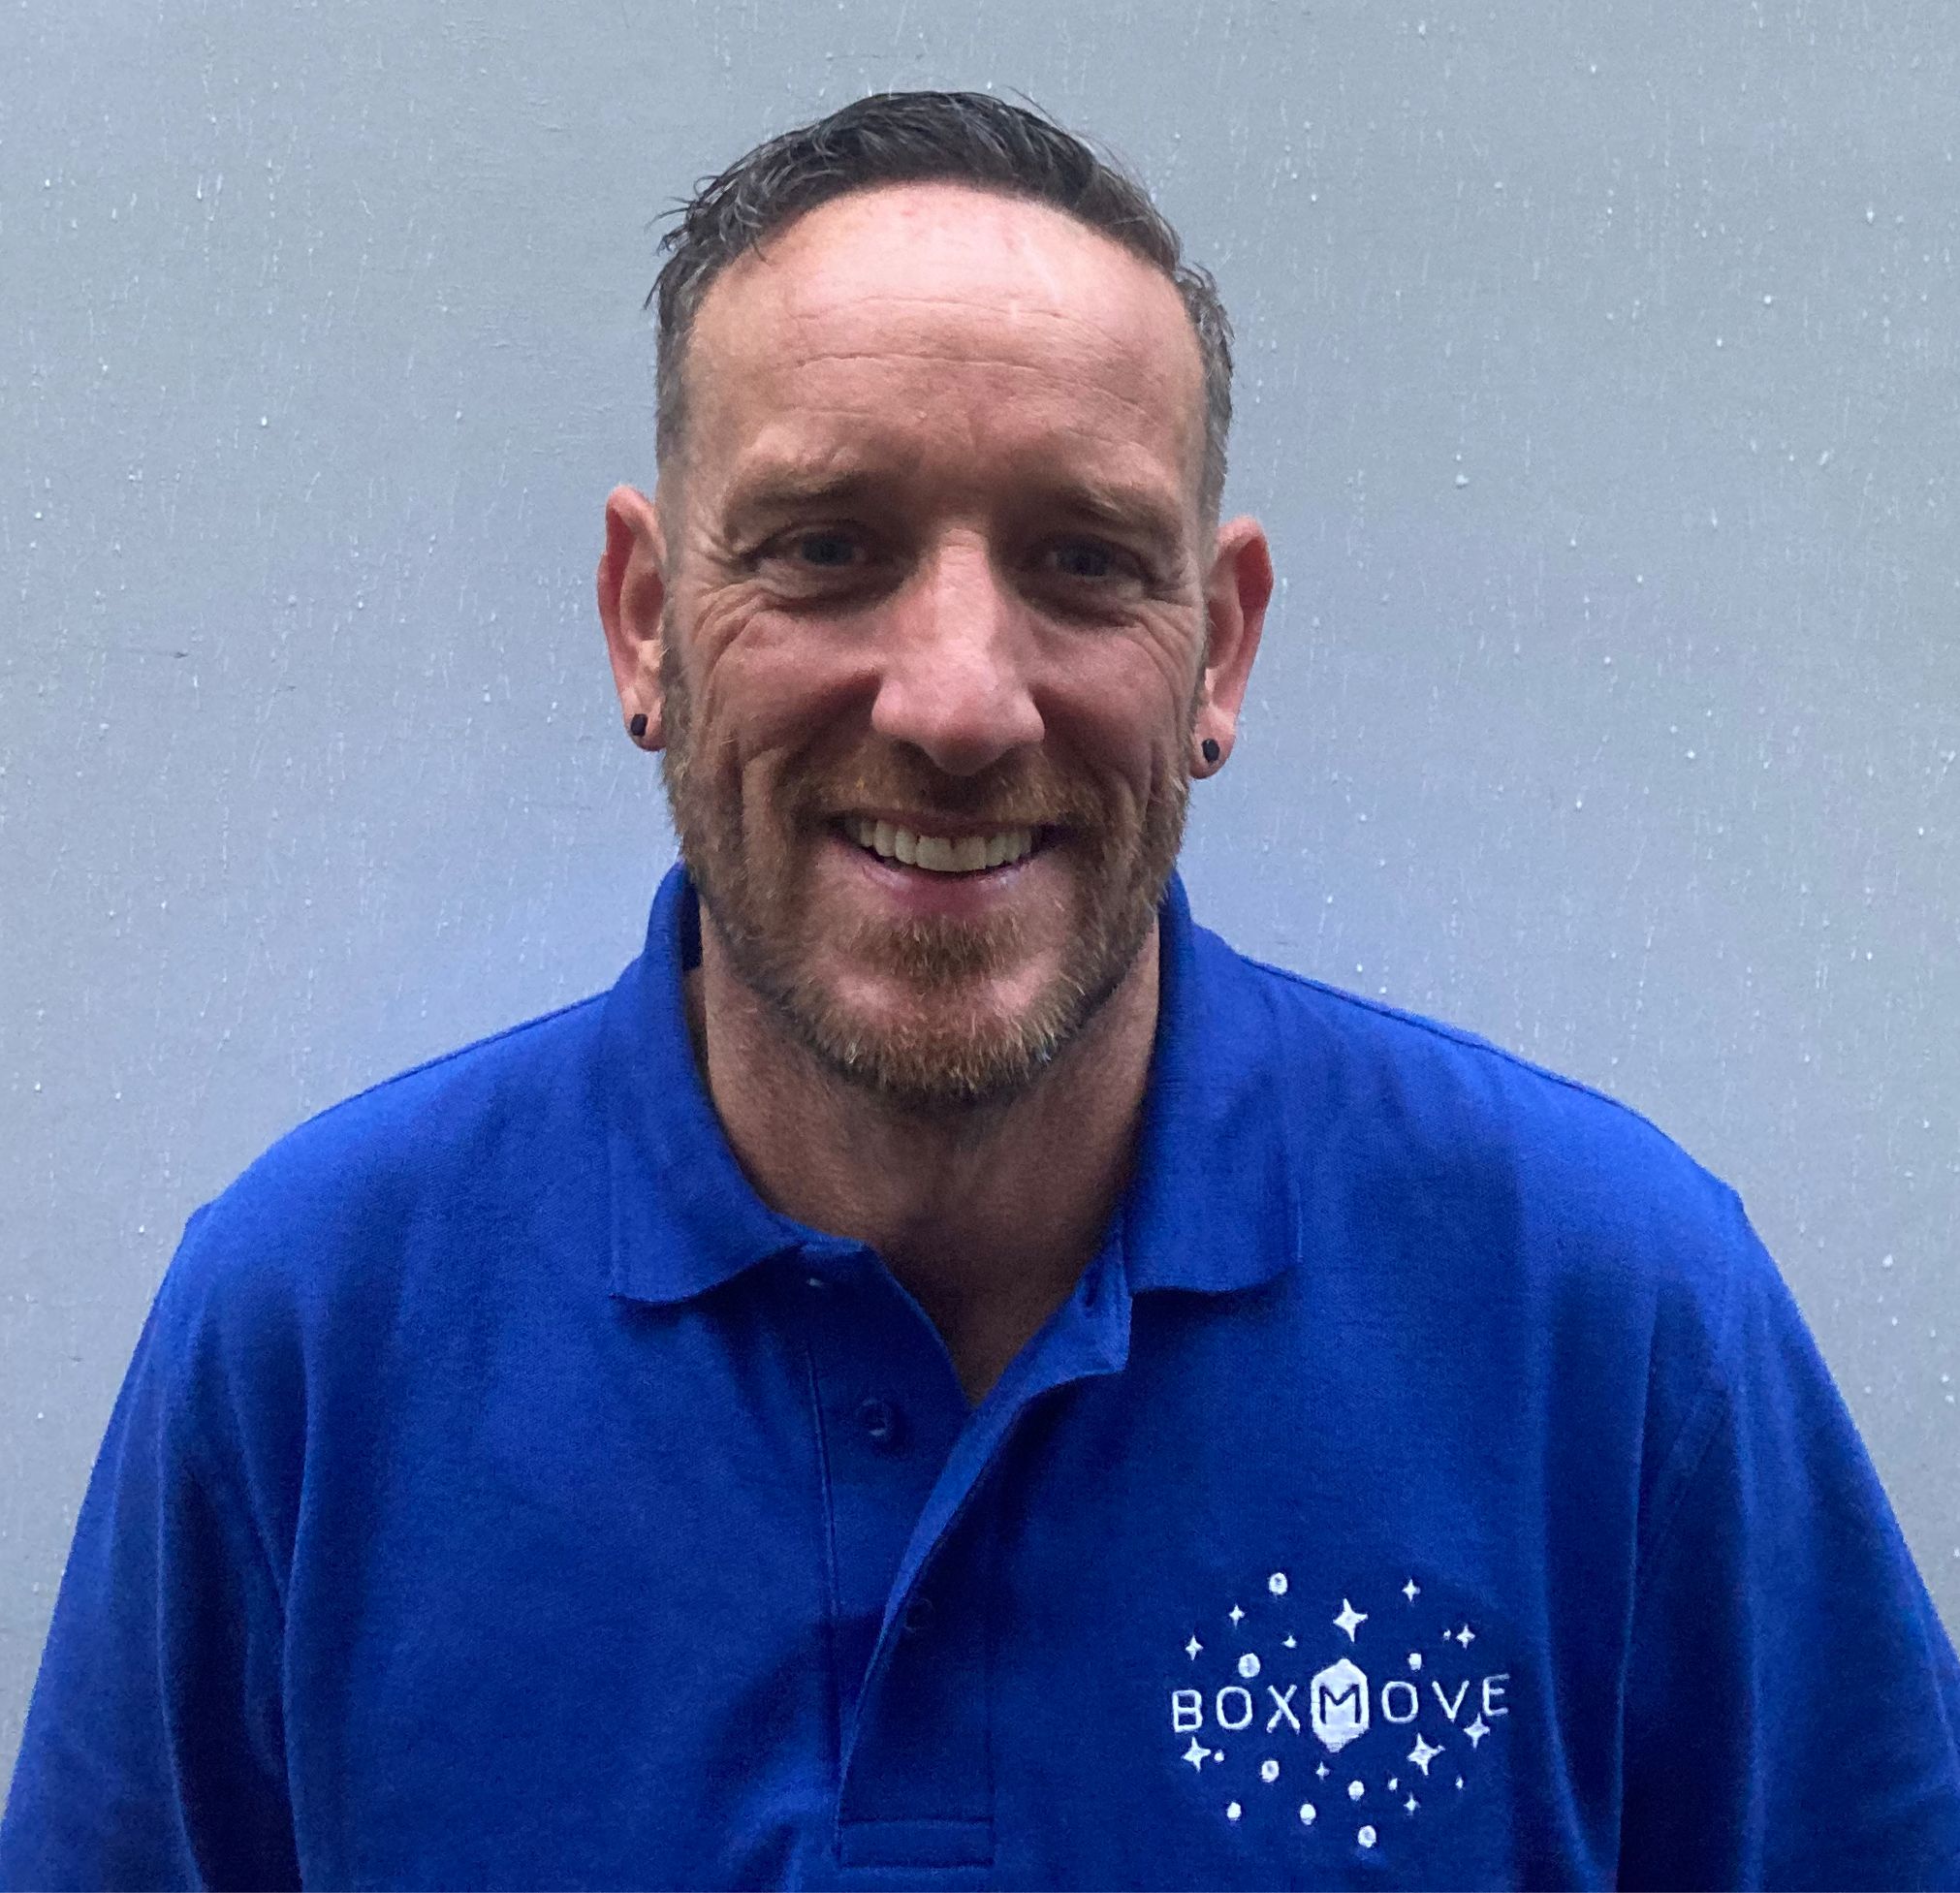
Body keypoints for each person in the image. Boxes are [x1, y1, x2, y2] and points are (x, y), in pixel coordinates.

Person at [3, 89, 1956, 1893]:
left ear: (1218, 649)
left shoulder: (1611, 1326)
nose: (955, 701)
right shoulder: (309, 1336)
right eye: (826, 548)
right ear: (645, 619)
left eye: (1084, 561)